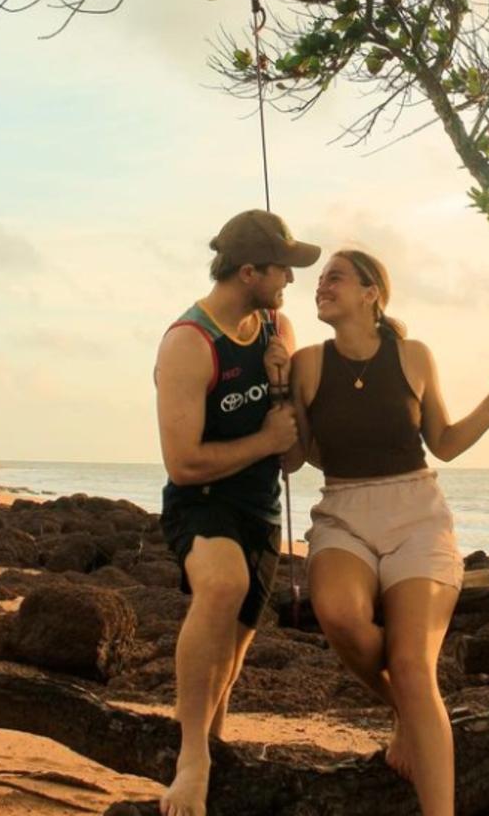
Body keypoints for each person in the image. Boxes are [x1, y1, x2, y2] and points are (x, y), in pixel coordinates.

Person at [281, 249, 489, 816]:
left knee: (414, 662)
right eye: (319, 281)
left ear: (372, 294)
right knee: (339, 615)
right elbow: (293, 460)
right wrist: (277, 388)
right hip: (343, 511)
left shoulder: (413, 357)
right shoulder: (307, 364)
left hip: (417, 512)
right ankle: (407, 712)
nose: (322, 286)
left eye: (335, 278)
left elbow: (442, 441)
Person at [155, 209, 320, 816]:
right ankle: (190, 754)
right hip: (202, 502)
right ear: (248, 271)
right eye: (283, 269)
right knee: (222, 585)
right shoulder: (189, 343)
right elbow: (182, 464)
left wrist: (281, 385)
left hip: (260, 508)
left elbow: (293, 459)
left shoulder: (278, 327)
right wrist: (265, 440)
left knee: (234, 657)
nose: (291, 281)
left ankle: (211, 752)